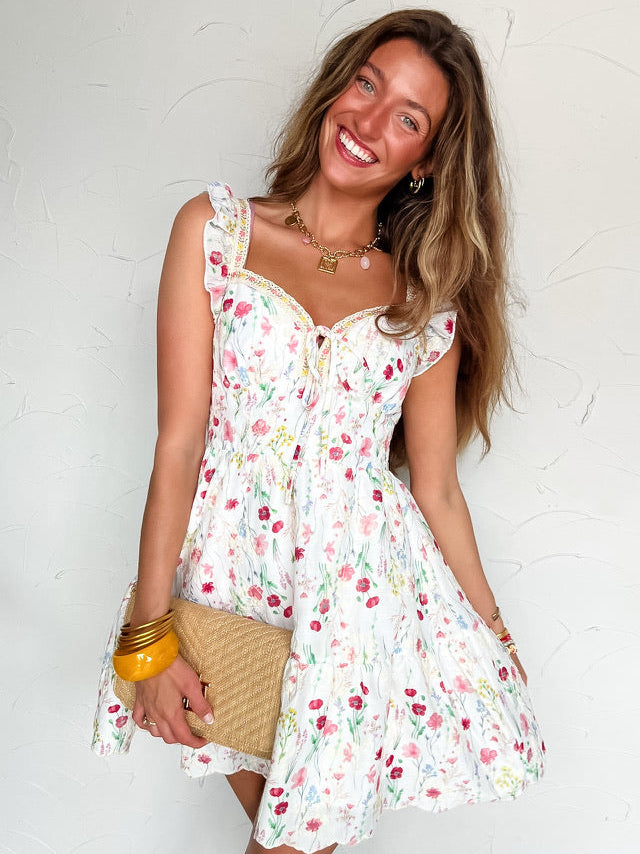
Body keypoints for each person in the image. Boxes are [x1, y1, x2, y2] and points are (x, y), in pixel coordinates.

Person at [91, 8, 546, 853]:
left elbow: (436, 487)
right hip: (227, 591)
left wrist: (494, 632)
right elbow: (180, 441)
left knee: (294, 846)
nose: (369, 122)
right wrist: (147, 636)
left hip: (356, 607)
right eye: (367, 84)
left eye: (408, 117)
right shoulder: (217, 230)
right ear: (338, 83)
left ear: (428, 159)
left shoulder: (423, 299)